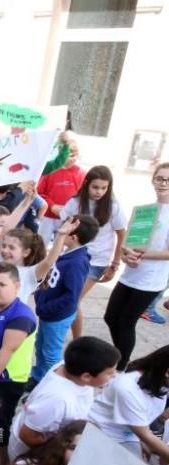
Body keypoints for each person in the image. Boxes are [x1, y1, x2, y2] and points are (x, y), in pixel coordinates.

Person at [8, 336, 120, 461]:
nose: (114, 375)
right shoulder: (57, 400)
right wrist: (56, 456)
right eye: (110, 373)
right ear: (86, 377)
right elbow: (28, 435)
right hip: (36, 455)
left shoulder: (69, 367)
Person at [104, 163, 169, 368]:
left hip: (151, 279)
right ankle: (120, 357)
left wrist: (142, 255)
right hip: (130, 274)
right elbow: (129, 241)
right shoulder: (146, 210)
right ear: (153, 180)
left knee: (126, 322)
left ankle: (120, 366)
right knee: (110, 317)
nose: (163, 183)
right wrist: (125, 255)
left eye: (167, 180)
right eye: (159, 178)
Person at [0, 263, 37, 465]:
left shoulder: (21, 315)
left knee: (0, 428)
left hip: (6, 381)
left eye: (1, 284)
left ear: (17, 286)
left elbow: (6, 351)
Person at [30, 215, 99, 385]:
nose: (59, 234)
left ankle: (55, 384)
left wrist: (46, 308)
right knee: (40, 346)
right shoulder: (66, 253)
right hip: (48, 313)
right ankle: (39, 376)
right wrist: (40, 298)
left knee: (51, 353)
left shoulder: (76, 262)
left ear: (73, 238)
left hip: (57, 316)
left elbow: (71, 297)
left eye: (64, 232)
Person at [61, 166, 126, 339]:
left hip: (97, 261)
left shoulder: (113, 206)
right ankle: (75, 339)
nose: (99, 192)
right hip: (72, 257)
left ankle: (76, 340)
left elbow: (121, 234)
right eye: (96, 187)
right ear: (87, 184)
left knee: (73, 300)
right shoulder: (74, 202)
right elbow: (62, 229)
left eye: (104, 188)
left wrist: (115, 263)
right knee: (69, 300)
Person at [86, 344, 169, 461]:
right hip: (101, 433)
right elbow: (144, 434)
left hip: (129, 434)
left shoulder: (160, 382)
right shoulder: (128, 388)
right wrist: (143, 439)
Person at [36, 136, 84, 244]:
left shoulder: (81, 173)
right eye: (69, 154)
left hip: (68, 218)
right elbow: (40, 192)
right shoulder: (51, 170)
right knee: (41, 243)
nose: (72, 158)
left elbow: (82, 196)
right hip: (48, 216)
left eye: (75, 154)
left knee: (60, 245)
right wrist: (52, 206)